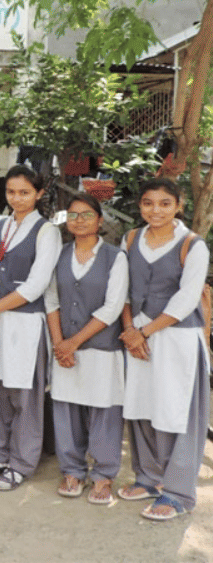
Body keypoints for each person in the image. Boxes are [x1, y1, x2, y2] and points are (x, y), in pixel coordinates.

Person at [117, 178, 210, 521]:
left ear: (178, 205)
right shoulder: (131, 240)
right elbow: (122, 290)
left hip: (176, 338)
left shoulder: (192, 245)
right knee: (142, 407)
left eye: (164, 203)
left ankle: (177, 492)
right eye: (148, 203)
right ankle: (149, 477)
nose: (155, 210)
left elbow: (187, 298)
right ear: (140, 206)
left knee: (177, 411)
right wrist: (130, 330)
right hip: (137, 336)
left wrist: (143, 331)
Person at [0, 164, 60, 491]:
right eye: (11, 192)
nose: (17, 198)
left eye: (24, 192)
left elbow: (36, 286)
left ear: (39, 194)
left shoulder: (47, 231)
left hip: (24, 324)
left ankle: (21, 462)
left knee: (23, 395)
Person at [44, 193, 127, 505]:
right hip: (64, 348)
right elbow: (51, 300)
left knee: (104, 410)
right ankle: (72, 470)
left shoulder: (115, 257)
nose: (78, 220)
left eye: (86, 215)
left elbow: (113, 307)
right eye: (73, 214)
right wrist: (58, 344)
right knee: (66, 408)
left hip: (101, 348)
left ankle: (103, 474)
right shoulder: (60, 255)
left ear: (100, 220)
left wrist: (73, 342)